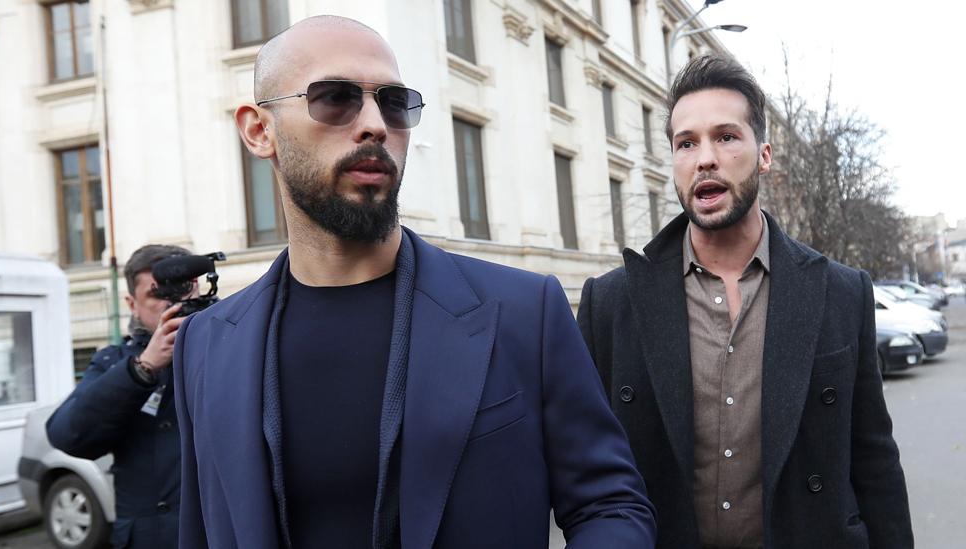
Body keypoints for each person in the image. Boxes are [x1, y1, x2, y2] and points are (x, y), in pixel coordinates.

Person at [172, 15, 656, 549]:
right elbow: (200, 528)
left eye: (395, 102)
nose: (376, 124)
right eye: (336, 98)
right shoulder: (204, 345)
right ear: (259, 130)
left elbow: (609, 506)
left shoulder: (524, 312)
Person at [576, 54, 912, 549]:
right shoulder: (611, 302)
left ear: (764, 155)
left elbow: (874, 459)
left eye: (726, 136)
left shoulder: (841, 292)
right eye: (686, 143)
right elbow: (584, 469)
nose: (704, 158)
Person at [47, 244, 193, 549]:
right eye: (156, 294)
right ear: (131, 303)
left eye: (183, 288)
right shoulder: (114, 361)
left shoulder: (230, 344)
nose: (172, 301)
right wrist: (143, 368)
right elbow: (67, 434)